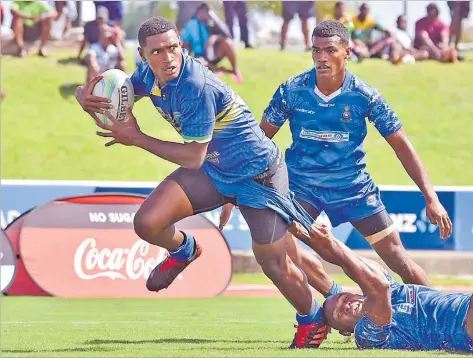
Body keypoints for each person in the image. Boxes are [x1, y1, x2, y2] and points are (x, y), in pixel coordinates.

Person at [74, 16, 328, 349]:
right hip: (215, 169)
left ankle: (312, 319)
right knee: (147, 222)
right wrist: (83, 95)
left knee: (274, 262)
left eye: (173, 48)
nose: (167, 58)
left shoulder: (195, 86)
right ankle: (184, 250)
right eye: (157, 52)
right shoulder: (146, 77)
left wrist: (136, 137)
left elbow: (193, 157)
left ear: (182, 46)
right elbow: (112, 97)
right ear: (142, 54)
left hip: (258, 174)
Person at [222, 20, 451, 312]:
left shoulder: (365, 95)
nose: (321, 58)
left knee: (399, 260)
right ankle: (335, 298)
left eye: (330, 50)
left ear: (348, 52)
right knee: (277, 247)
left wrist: (431, 198)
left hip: (353, 188)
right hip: (302, 188)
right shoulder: (291, 91)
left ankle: (443, 314)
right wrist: (233, 188)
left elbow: (402, 146)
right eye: (316, 50)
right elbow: (259, 142)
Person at [311, 221, 473, 353]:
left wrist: (308, 236)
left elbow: (369, 275)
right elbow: (376, 287)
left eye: (344, 298)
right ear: (346, 330)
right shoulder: (367, 336)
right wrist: (332, 244)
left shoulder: (391, 289)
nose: (345, 304)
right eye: (340, 313)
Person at [181, 3, 242, 83]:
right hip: (199, 57)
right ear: (198, 12)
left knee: (228, 43)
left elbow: (227, 35)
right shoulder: (191, 24)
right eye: (202, 11)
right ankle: (217, 69)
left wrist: (215, 38)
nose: (204, 14)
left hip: (213, 54)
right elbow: (185, 44)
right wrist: (187, 61)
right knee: (201, 65)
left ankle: (234, 70)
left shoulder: (212, 21)